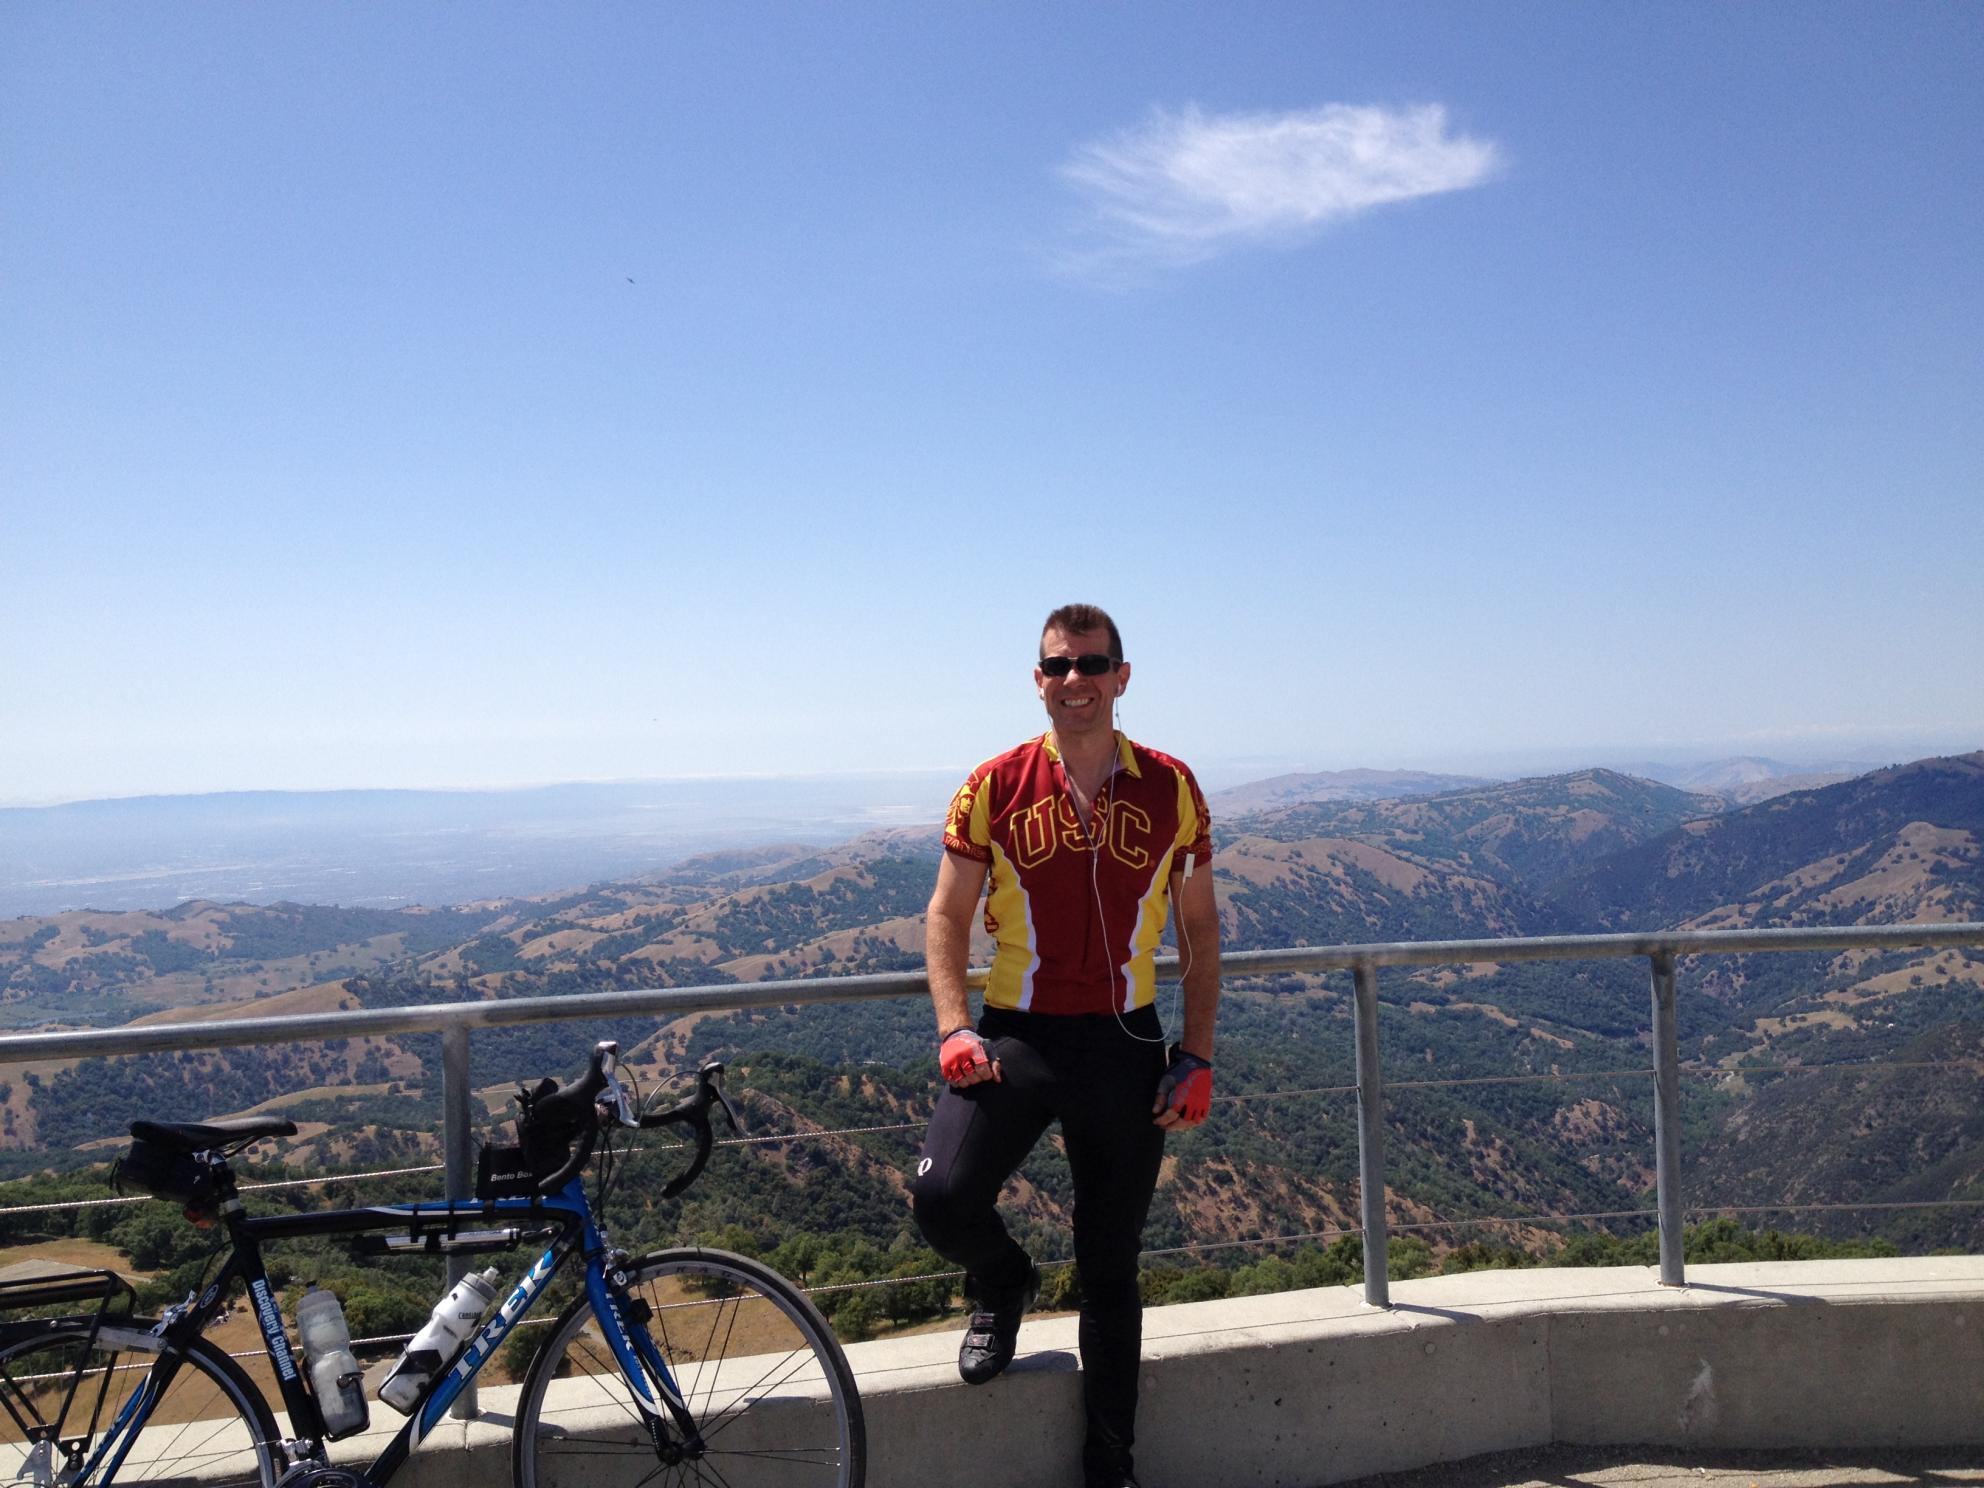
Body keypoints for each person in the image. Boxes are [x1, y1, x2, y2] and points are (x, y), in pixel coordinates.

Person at [910, 602, 1221, 1488]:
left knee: (1109, 1264)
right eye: (1057, 666)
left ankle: (1110, 1464)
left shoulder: (1173, 787)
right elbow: (947, 913)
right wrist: (952, 1025)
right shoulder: (992, 785)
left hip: (1128, 1046)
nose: (1074, 681)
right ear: (1037, 680)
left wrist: (1196, 1054)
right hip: (1018, 1034)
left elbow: (1198, 928)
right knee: (943, 1200)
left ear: (1123, 677)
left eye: (1092, 664)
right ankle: (1002, 1284)